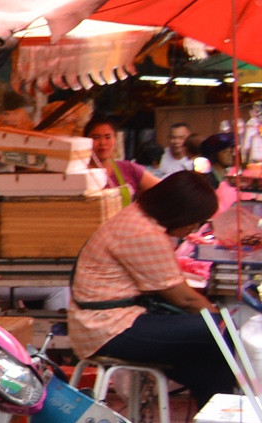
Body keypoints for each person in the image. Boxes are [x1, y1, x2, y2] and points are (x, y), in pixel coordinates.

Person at [68, 168, 236, 405]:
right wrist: (222, 318)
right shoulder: (144, 232)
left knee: (211, 368)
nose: (193, 228)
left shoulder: (138, 216)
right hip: (108, 329)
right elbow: (185, 300)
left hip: (114, 320)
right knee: (220, 330)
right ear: (181, 213)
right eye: (195, 222)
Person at [86, 120, 149, 194]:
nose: (102, 143)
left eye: (108, 137)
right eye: (96, 137)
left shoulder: (129, 169)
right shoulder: (77, 174)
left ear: (115, 139)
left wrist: (138, 205)